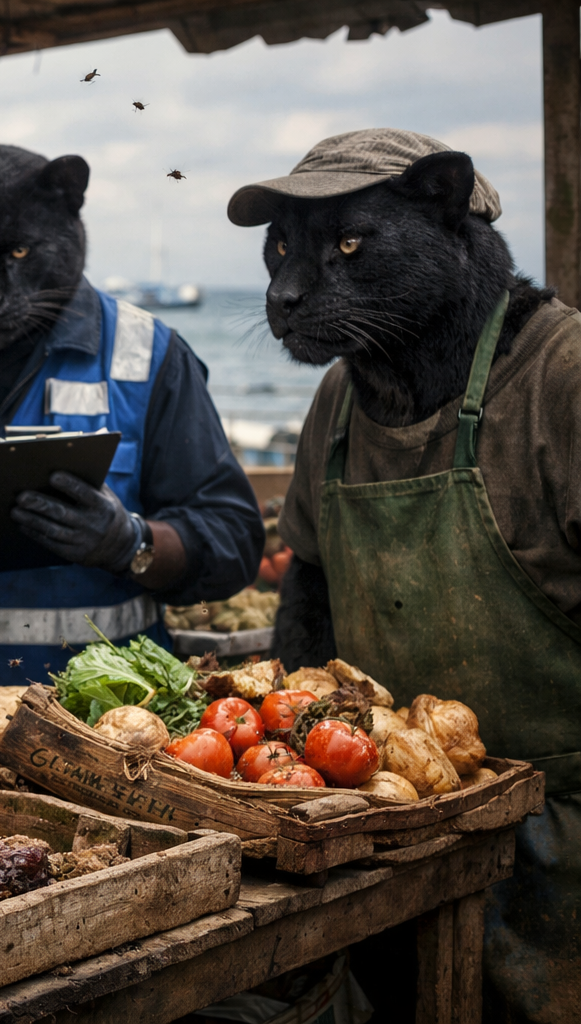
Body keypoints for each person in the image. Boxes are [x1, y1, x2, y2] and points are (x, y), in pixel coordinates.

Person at [247, 129, 580, 1024]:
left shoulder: (561, 376)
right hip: (384, 853)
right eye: (284, 249)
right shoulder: (341, 399)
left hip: (562, 870)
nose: (286, 290)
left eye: (346, 246)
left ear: (446, 212)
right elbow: (306, 600)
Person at [0, 144, 262, 703]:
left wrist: (132, 542)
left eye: (19, 253)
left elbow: (235, 541)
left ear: (70, 207)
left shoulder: (146, 354)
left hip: (105, 734)